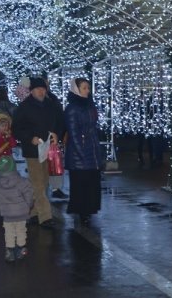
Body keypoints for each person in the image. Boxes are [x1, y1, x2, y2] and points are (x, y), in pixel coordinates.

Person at [12, 75, 65, 227]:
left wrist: (56, 133)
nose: (41, 92)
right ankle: (45, 216)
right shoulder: (24, 107)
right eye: (38, 89)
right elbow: (17, 128)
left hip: (48, 148)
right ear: (32, 91)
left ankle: (34, 212)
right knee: (37, 183)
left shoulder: (51, 105)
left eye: (43, 89)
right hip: (33, 150)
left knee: (44, 181)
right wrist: (29, 138)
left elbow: (60, 121)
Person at [64, 77, 104, 225]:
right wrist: (81, 153)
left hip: (91, 149)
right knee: (81, 185)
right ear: (77, 90)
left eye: (88, 87)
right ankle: (82, 211)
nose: (87, 90)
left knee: (92, 183)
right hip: (79, 154)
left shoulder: (89, 106)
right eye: (84, 88)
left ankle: (89, 209)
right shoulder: (72, 108)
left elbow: (93, 127)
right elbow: (73, 133)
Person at [0, 155, 34, 261]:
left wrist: (2, 207)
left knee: (9, 232)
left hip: (7, 214)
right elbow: (29, 195)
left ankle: (9, 251)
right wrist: (28, 206)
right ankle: (21, 249)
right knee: (21, 230)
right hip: (22, 212)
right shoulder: (23, 182)